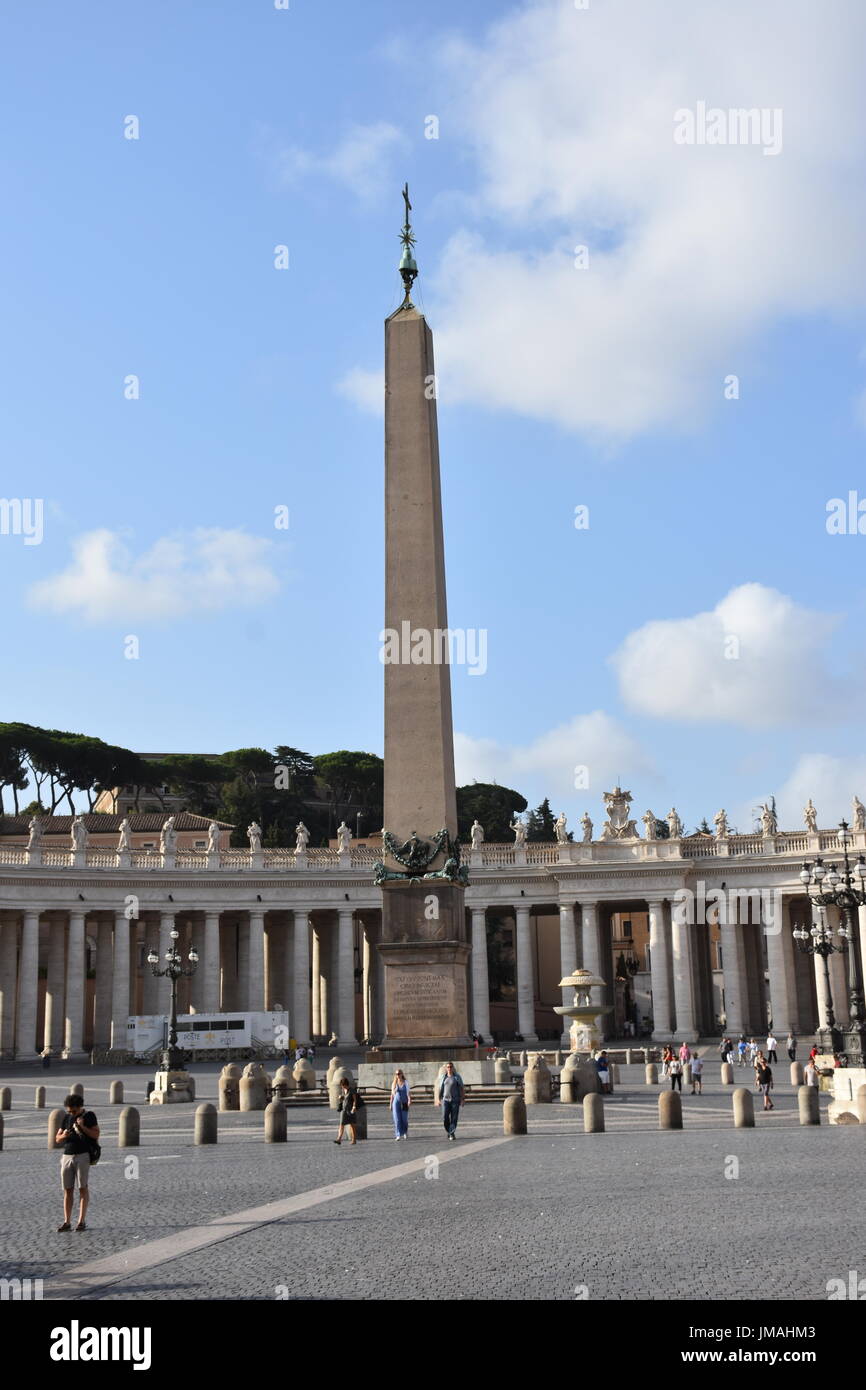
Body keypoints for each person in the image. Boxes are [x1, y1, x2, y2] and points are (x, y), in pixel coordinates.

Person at [55, 1095, 99, 1232]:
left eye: (73, 1111)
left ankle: (81, 1221)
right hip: (67, 1155)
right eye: (69, 1111)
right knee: (67, 1190)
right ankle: (67, 1221)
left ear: (80, 1108)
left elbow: (96, 1134)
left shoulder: (89, 1116)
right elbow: (57, 1138)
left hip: (83, 1155)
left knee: (82, 1188)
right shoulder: (66, 1118)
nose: (71, 1114)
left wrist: (82, 1127)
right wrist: (64, 1136)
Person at [333, 1076, 363, 1145]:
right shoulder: (343, 1090)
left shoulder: (351, 1090)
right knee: (341, 1124)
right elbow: (344, 1099)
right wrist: (341, 1098)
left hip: (350, 1110)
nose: (342, 1087)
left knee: (352, 1125)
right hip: (344, 1110)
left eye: (342, 1085)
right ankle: (339, 1139)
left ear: (345, 1084)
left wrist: (354, 1106)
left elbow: (355, 1100)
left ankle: (354, 1140)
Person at [439, 1061, 464, 1140]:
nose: (449, 1068)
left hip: (455, 1100)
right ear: (446, 1068)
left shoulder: (457, 1077)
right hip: (445, 1100)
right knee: (445, 1117)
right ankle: (449, 1130)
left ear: (453, 1068)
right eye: (448, 1067)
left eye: (450, 1067)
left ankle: (451, 1133)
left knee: (454, 1117)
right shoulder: (443, 1077)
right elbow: (440, 1088)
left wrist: (462, 1099)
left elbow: (461, 1088)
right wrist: (438, 1099)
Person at [390, 1069, 410, 1141]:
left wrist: (409, 1100)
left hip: (404, 1102)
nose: (397, 1075)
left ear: (402, 1074)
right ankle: (398, 1134)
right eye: (396, 1074)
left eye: (398, 1074)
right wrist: (390, 1103)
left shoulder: (406, 1082)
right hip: (396, 1102)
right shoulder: (394, 1083)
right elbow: (392, 1094)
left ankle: (405, 1131)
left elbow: (408, 1093)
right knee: (397, 1119)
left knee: (404, 1119)